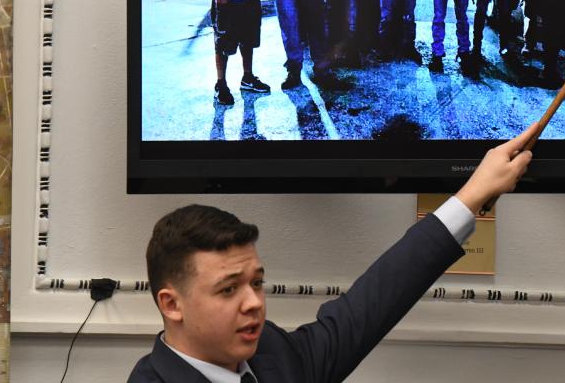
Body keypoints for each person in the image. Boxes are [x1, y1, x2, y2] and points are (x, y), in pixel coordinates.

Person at [128, 122, 540, 383]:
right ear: (172, 304)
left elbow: (373, 303)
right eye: (228, 290)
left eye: (257, 282)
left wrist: (472, 195)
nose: (254, 304)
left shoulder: (271, 353)